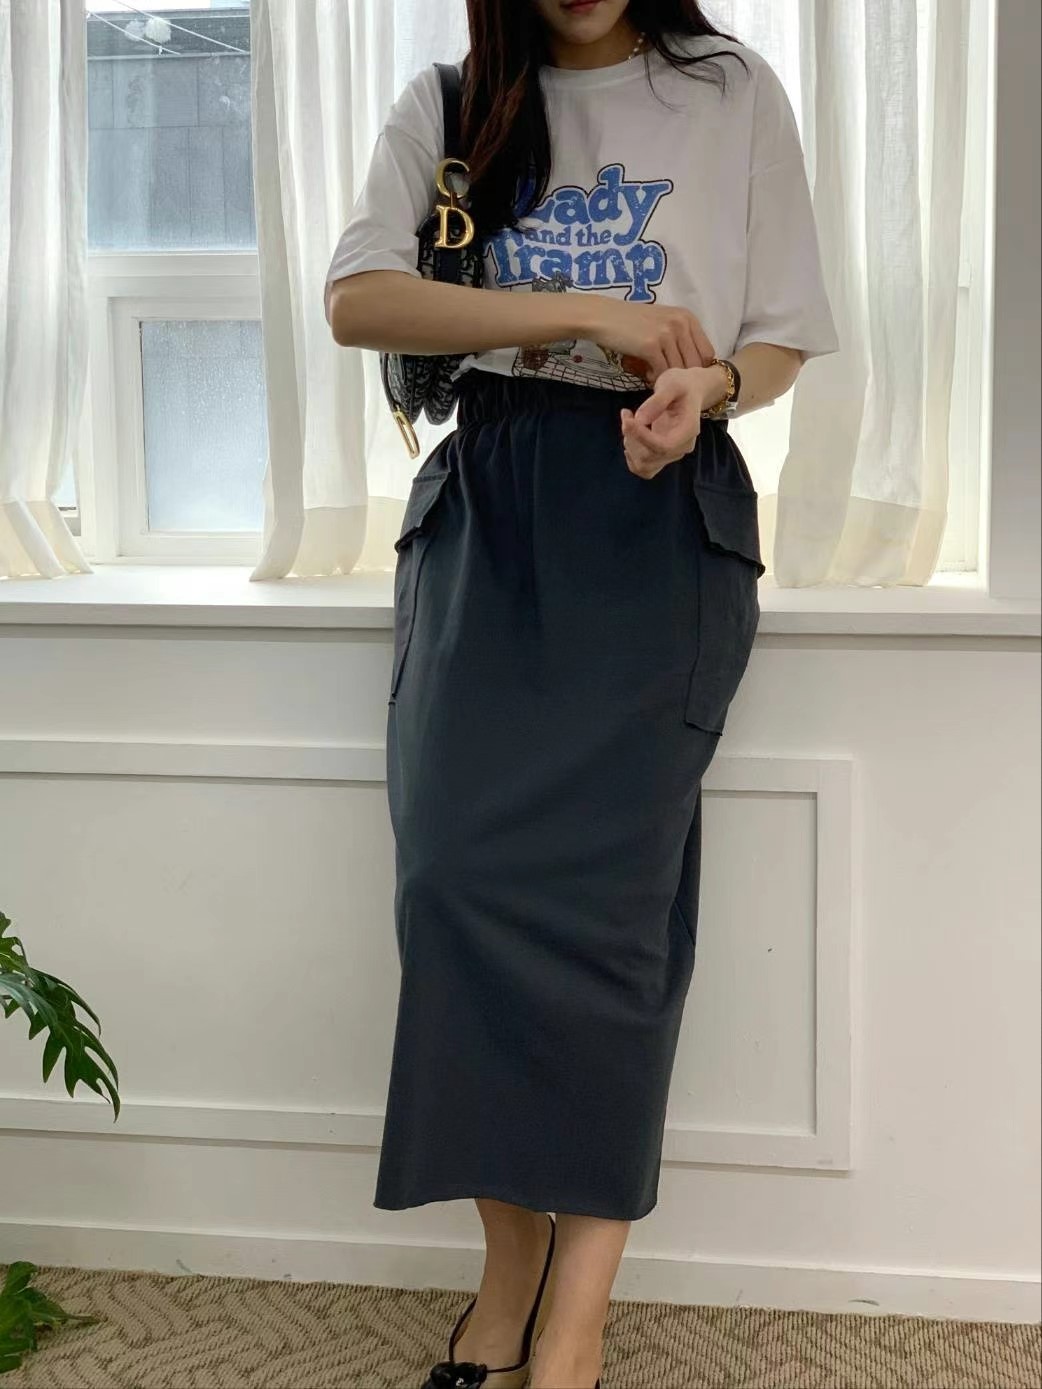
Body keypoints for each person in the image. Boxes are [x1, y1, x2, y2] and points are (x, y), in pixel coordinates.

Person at [325, 2, 838, 1386]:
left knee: (616, 919)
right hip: (490, 507)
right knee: (449, 886)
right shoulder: (453, 101)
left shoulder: (729, 91)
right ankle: (510, 1262)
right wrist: (582, 310)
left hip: (653, 506)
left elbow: (783, 336)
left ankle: (574, 1313)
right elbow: (359, 298)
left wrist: (706, 387)